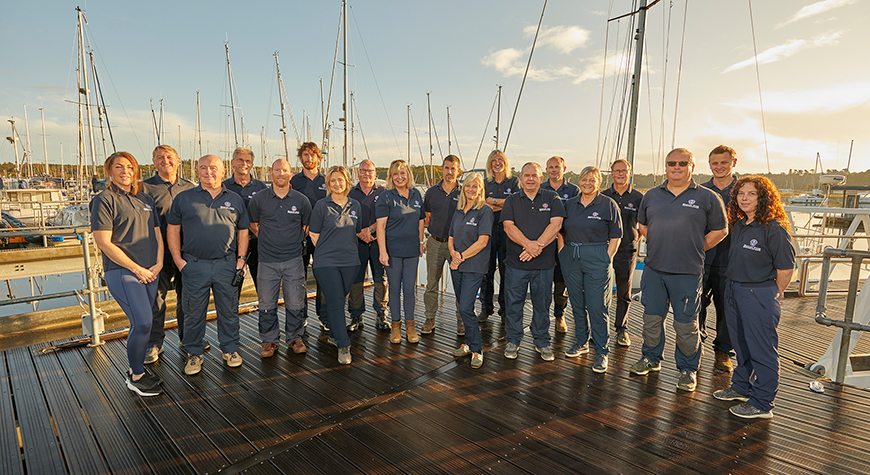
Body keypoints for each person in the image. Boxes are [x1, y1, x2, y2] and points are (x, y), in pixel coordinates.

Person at [629, 148, 728, 392]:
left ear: (692, 167)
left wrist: (695, 247)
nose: (676, 167)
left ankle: (687, 368)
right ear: (665, 166)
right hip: (654, 270)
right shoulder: (651, 195)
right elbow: (642, 225)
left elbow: (721, 231)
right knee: (651, 320)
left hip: (687, 272)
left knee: (686, 325)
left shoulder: (707, 197)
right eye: (671, 163)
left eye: (682, 163)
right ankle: (651, 359)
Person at [713, 176, 794, 419]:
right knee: (740, 344)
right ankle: (741, 387)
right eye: (741, 194)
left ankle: (762, 402)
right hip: (733, 289)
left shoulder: (774, 228)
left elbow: (786, 269)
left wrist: (773, 293)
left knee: (762, 349)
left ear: (764, 198)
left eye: (751, 194)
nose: (744, 198)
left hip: (757, 293)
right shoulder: (739, 225)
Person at [167, 155, 249, 376]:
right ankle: (194, 353)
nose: (208, 172)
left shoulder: (235, 198)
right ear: (197, 171)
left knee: (229, 310)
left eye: (213, 168)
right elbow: (173, 229)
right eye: (203, 168)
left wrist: (241, 259)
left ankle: (230, 350)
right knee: (193, 312)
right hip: (194, 265)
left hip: (227, 265)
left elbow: (243, 230)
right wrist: (178, 260)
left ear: (223, 171)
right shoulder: (183, 198)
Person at [91, 151, 163, 396]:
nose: (125, 172)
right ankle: (136, 376)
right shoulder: (104, 199)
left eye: (130, 167)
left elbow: (157, 234)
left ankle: (137, 368)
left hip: (150, 271)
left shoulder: (144, 199)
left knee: (143, 322)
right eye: (119, 167)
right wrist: (137, 269)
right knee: (143, 322)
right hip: (124, 272)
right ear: (109, 171)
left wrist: (159, 263)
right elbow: (104, 242)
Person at [559, 166, 621, 373]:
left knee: (597, 306)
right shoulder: (569, 204)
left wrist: (606, 258)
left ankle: (602, 351)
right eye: (584, 179)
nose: (587, 183)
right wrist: (562, 252)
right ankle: (581, 341)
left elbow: (616, 235)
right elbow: (559, 231)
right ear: (579, 181)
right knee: (577, 303)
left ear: (599, 183)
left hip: (597, 257)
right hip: (572, 256)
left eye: (592, 180)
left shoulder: (608, 205)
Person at [501, 162, 565, 361]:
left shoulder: (552, 198)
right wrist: (529, 245)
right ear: (520, 178)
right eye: (526, 175)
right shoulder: (511, 200)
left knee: (542, 305)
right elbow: (508, 227)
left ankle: (542, 340)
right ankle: (513, 340)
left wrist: (536, 247)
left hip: (544, 265)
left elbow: (556, 225)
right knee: (513, 304)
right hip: (516, 263)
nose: (530, 179)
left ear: (541, 178)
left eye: (534, 175)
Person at [247, 158, 311, 358]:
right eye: (277, 170)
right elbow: (253, 223)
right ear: (271, 173)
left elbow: (306, 228)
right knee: (266, 303)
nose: (281, 173)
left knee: (295, 301)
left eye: (285, 170)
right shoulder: (259, 198)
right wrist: (268, 239)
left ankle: (295, 337)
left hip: (293, 259)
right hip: (266, 260)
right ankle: (269, 341)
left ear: (290, 174)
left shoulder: (301, 200)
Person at [142, 145, 197, 364]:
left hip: (187, 251)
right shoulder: (144, 188)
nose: (165, 161)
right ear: (154, 162)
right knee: (157, 299)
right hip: (158, 252)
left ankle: (188, 338)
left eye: (169, 157)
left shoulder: (190, 187)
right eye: (160, 158)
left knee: (188, 298)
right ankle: (154, 343)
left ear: (178, 160)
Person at [310, 166, 362, 365]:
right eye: (333, 180)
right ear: (328, 184)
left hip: (350, 262)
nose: (337, 184)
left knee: (339, 299)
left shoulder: (356, 205)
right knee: (337, 300)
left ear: (347, 182)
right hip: (326, 262)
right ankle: (343, 344)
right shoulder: (321, 205)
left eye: (340, 180)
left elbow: (356, 231)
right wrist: (326, 250)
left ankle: (333, 333)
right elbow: (314, 233)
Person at [376, 159, 425, 344]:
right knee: (395, 289)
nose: (399, 177)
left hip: (412, 250)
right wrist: (383, 252)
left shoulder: (416, 194)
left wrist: (421, 243)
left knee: (409, 290)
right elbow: (380, 227)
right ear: (390, 177)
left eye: (402, 173)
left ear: (408, 175)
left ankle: (410, 326)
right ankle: (395, 327)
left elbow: (421, 221)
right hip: (393, 251)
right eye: (395, 174)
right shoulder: (385, 197)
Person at [448, 172, 493, 368]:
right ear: (463, 188)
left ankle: (477, 349)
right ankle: (467, 343)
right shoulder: (458, 210)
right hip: (456, 265)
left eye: (475, 186)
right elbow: (450, 237)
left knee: (466, 307)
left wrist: (460, 257)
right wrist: (453, 255)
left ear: (481, 189)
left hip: (473, 266)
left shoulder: (484, 210)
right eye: (468, 186)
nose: (471, 190)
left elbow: (483, 241)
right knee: (463, 306)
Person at [700, 145, 738, 372]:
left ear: (734, 162)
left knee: (727, 310)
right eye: (715, 163)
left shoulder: (744, 190)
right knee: (696, 306)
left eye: (724, 162)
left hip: (732, 261)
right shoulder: (700, 191)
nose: (719, 167)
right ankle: (697, 346)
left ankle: (723, 352)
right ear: (709, 165)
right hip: (702, 258)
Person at [601, 159, 644, 347]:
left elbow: (643, 226)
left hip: (627, 249)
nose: (620, 174)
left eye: (624, 171)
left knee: (624, 292)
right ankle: (599, 328)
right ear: (611, 174)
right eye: (616, 171)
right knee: (598, 291)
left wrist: (634, 240)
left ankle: (621, 329)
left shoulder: (638, 197)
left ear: (630, 172)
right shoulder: (602, 196)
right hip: (602, 249)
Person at [347, 159, 389, 332]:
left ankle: (381, 314)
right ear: (358, 173)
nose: (366, 174)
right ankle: (356, 316)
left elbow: (388, 216)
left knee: (381, 279)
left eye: (370, 171)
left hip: (379, 243)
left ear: (375, 173)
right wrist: (360, 233)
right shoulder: (350, 193)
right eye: (363, 170)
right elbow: (345, 216)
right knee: (355, 280)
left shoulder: (384, 192)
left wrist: (370, 231)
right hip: (356, 243)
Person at [422, 155, 462, 335]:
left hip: (458, 246)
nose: (449, 172)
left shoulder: (464, 192)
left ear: (458, 170)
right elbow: (427, 217)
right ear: (442, 169)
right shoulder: (431, 192)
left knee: (461, 284)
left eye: (453, 168)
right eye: (446, 168)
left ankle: (462, 321)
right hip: (435, 242)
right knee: (431, 284)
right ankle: (430, 318)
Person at [290, 142, 328, 329]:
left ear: (318, 158)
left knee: (323, 276)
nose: (309, 158)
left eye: (312, 155)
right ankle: (301, 316)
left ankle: (324, 316)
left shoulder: (327, 180)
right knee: (300, 278)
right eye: (305, 154)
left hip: (323, 238)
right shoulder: (294, 181)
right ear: (301, 157)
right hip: (300, 237)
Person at [223, 147, 268, 298]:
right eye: (240, 160)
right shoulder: (223, 187)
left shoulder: (261, 187)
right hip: (231, 244)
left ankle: (267, 320)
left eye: (248, 161)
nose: (244, 163)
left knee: (263, 286)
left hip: (256, 242)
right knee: (232, 288)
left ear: (252, 165)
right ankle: (231, 321)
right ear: (233, 162)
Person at [542, 155, 579, 333]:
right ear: (546, 170)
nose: (554, 170)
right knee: (541, 282)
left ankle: (559, 316)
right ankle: (540, 317)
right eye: (551, 167)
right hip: (543, 243)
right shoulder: (540, 188)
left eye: (557, 166)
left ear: (564, 169)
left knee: (561, 283)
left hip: (564, 243)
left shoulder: (574, 191)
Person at [480, 150, 519, 324]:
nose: (497, 163)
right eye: (494, 160)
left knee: (506, 272)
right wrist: (504, 204)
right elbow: (481, 205)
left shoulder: (514, 181)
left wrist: (493, 201)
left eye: (500, 159)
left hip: (507, 232)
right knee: (486, 272)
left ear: (506, 162)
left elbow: (516, 204)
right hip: (488, 231)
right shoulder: (485, 182)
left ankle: (505, 308)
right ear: (490, 163)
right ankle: (486, 308)